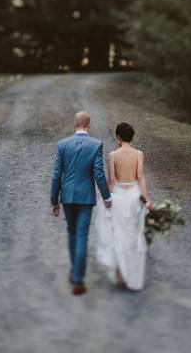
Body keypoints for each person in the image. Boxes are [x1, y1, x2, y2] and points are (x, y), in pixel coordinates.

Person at [50, 111, 111, 295]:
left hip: (67, 197)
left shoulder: (62, 145)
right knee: (82, 235)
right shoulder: (96, 144)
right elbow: (99, 174)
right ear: (89, 125)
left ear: (74, 124)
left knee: (72, 232)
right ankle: (78, 279)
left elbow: (56, 175)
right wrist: (107, 197)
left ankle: (73, 271)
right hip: (85, 198)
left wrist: (54, 200)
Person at [94, 122, 153, 291]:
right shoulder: (138, 154)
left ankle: (120, 274)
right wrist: (146, 199)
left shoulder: (113, 155)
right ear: (131, 137)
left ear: (118, 138)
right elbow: (140, 177)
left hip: (119, 197)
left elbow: (111, 181)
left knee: (118, 235)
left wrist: (106, 198)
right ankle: (133, 273)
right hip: (134, 196)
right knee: (133, 234)